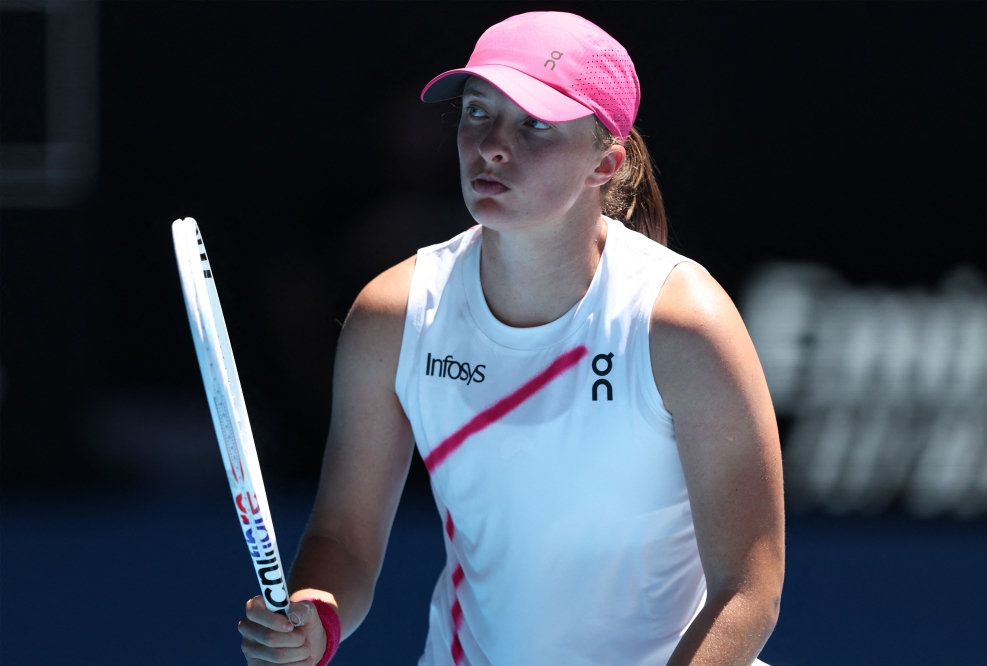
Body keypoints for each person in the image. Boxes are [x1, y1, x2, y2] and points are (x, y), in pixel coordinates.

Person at [238, 11, 784, 666]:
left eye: (536, 124)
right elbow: (344, 539)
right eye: (477, 112)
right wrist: (315, 618)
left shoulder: (682, 325)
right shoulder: (394, 316)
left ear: (604, 162)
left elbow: (748, 588)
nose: (492, 145)